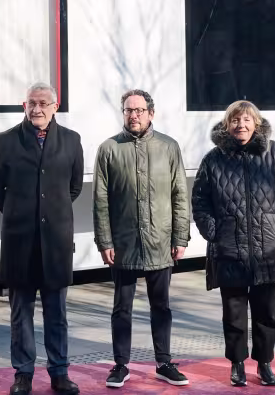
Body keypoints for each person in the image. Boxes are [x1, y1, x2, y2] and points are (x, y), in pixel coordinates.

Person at [191, 100, 275, 388]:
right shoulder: (214, 159)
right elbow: (200, 201)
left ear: (257, 124)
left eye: (247, 120)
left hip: (270, 248)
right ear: (227, 125)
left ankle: (264, 363)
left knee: (267, 313)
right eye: (235, 120)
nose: (241, 125)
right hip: (230, 249)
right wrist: (213, 231)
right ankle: (237, 364)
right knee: (234, 313)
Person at [0, 82, 84, 395]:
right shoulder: (6, 141)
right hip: (20, 241)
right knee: (21, 314)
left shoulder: (71, 140)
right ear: (23, 106)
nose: (37, 109)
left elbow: (74, 187)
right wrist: (20, 213)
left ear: (55, 106)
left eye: (44, 103)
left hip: (55, 243)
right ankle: (23, 374)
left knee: (57, 314)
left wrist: (49, 213)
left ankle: (59, 373)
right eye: (32, 103)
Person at [93, 89, 190, 388]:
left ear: (151, 112)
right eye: (128, 110)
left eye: (138, 110)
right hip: (123, 245)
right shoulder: (109, 149)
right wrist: (105, 241)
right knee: (121, 308)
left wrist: (181, 237)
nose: (133, 115)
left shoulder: (169, 147)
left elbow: (180, 195)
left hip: (160, 241)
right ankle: (120, 365)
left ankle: (164, 362)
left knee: (161, 307)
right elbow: (100, 200)